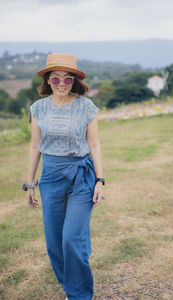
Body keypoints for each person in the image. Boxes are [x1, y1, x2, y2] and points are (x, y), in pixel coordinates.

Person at [22, 53, 105, 300]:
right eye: (55, 78)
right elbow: (34, 147)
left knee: (71, 240)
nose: (61, 84)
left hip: (81, 176)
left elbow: (95, 147)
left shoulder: (86, 107)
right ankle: (69, 279)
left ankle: (78, 293)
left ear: (74, 82)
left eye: (67, 80)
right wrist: (30, 185)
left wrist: (100, 181)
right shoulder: (38, 109)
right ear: (47, 79)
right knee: (55, 244)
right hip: (50, 178)